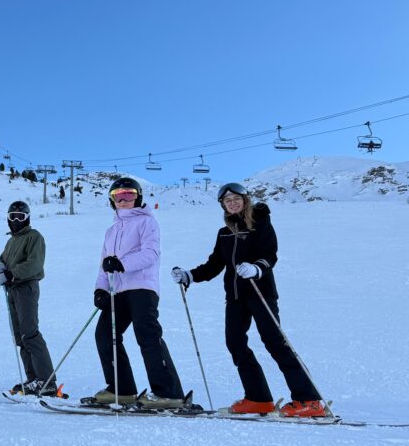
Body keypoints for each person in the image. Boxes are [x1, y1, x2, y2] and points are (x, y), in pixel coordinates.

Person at [171, 182, 325, 417]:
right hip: (235, 297)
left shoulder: (260, 223)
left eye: (236, 198)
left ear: (245, 200)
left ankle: (309, 400)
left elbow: (270, 254)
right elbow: (215, 264)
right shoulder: (224, 232)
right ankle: (258, 398)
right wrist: (190, 275)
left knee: (275, 342)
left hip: (260, 292)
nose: (232, 203)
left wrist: (256, 268)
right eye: (227, 200)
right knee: (235, 343)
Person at [92, 177, 186, 408]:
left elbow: (150, 253)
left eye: (129, 195)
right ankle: (121, 389)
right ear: (112, 201)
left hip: (143, 288)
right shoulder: (111, 230)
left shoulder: (147, 222)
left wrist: (121, 263)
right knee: (105, 335)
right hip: (118, 291)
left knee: (147, 336)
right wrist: (100, 289)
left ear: (138, 197)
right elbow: (105, 264)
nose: (124, 200)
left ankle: (168, 393)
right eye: (118, 196)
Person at [0, 201, 57, 396]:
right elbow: (4, 259)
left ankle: (46, 381)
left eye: (20, 217)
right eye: (12, 216)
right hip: (12, 290)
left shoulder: (34, 237)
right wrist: (0, 268)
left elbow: (35, 264)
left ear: (27, 218)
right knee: (20, 336)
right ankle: (33, 379)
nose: (15, 221)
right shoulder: (11, 241)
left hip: (26, 287)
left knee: (30, 333)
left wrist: (12, 274)